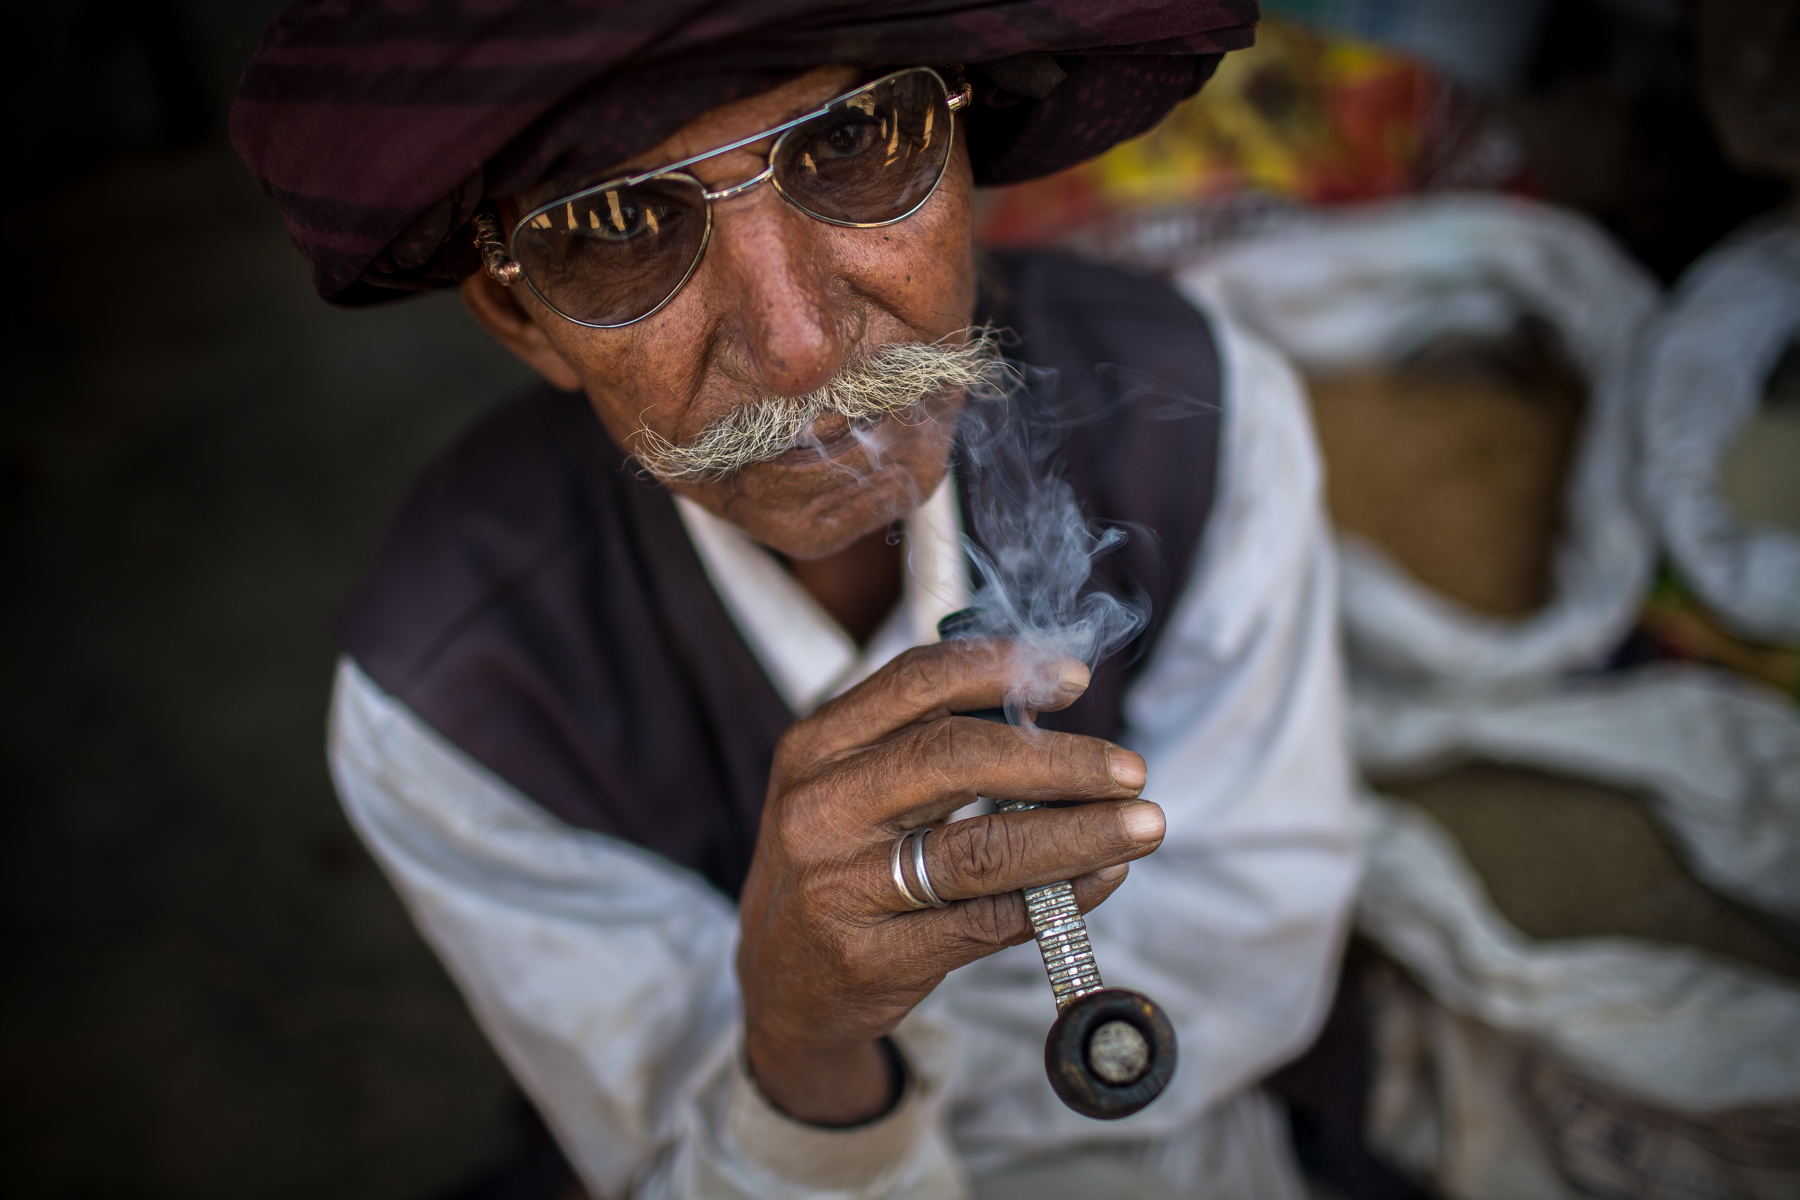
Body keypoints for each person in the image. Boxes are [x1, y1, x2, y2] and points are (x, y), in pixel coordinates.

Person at [233, 3, 1359, 1197]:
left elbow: (1259, 955)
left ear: (962, 145)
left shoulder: (1212, 410)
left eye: (853, 141)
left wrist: (834, 1058)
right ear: (521, 316)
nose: (798, 344)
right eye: (618, 224)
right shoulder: (449, 694)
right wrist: (801, 1041)